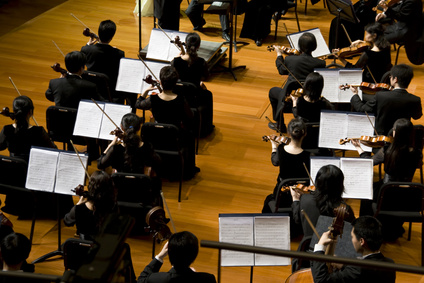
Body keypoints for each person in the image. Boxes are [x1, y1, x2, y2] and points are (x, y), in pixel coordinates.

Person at [352, 118, 422, 239]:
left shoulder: (388, 150)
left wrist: (359, 148)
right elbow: (419, 164)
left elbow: (370, 162)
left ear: (395, 133)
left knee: (366, 193)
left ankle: (366, 228)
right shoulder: (417, 153)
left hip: (386, 191)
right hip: (406, 194)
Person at [136, 67, 198, 179]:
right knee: (190, 135)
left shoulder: (152, 100)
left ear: (160, 81)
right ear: (175, 83)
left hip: (156, 138)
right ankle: (189, 170)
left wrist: (145, 91)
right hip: (174, 137)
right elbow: (190, 116)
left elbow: (138, 104)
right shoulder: (181, 100)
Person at [268, 33, 326, 132]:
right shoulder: (320, 63)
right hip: (310, 98)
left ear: (299, 46)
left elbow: (281, 70)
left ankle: (280, 124)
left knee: (273, 91)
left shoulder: (290, 60)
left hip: (290, 98)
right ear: (315, 47)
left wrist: (279, 54)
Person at [311, 216, 396, 283]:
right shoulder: (390, 264)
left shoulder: (358, 270)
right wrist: (344, 265)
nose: (351, 240)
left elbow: (321, 281)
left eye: (352, 237)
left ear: (361, 241)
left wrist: (320, 246)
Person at [350, 64, 422, 135]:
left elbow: (362, 109)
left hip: (381, 137)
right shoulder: (415, 100)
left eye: (391, 77)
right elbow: (417, 116)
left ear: (395, 79)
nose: (390, 78)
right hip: (401, 137)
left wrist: (355, 94)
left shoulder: (380, 96)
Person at [291, 165, 356, 239]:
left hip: (306, 246)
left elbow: (297, 219)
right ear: (340, 185)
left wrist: (295, 199)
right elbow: (351, 233)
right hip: (332, 248)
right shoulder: (344, 209)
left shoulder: (305, 199)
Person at [262, 118, 310, 213]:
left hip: (283, 191)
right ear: (304, 134)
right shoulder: (308, 155)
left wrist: (274, 147)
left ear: (289, 133)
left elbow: (275, 162)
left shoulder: (281, 149)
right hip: (303, 192)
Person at [171, 32, 214, 136]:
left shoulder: (175, 62)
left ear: (185, 43)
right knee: (208, 94)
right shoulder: (201, 62)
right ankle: (205, 128)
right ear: (198, 46)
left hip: (179, 95)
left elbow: (173, 76)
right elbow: (206, 77)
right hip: (195, 97)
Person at [137, 231, 217, 283]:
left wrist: (159, 256)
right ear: (195, 254)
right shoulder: (208, 279)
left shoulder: (156, 279)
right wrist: (194, 275)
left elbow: (141, 280)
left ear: (170, 254)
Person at [81, 20, 127, 105]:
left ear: (98, 33)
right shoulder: (119, 54)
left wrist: (88, 44)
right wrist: (113, 50)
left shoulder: (86, 49)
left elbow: (83, 53)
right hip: (110, 92)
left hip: (91, 90)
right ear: (112, 37)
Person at [64, 170, 117, 240]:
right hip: (106, 247)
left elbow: (67, 221)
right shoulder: (113, 206)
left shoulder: (80, 209)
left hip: (84, 248)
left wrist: (78, 204)